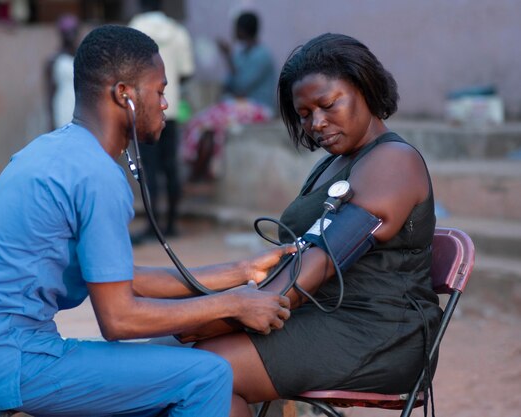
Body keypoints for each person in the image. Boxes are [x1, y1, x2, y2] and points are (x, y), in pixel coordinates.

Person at [0, 25, 293, 417]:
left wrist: (238, 271)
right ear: (125, 95)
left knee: (175, 360)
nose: (166, 104)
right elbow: (119, 318)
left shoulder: (56, 149)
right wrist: (231, 304)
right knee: (207, 375)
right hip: (5, 363)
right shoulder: (98, 176)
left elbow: (118, 276)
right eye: (160, 90)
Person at [194, 33, 444, 416]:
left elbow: (322, 258)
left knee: (201, 371)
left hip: (378, 333)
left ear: (365, 88)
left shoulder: (393, 161)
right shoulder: (334, 162)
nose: (317, 123)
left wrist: (224, 315)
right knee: (184, 367)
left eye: (327, 105)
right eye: (305, 114)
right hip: (321, 316)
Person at [182, 11, 276, 182]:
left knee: (212, 121)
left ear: (243, 30)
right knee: (203, 123)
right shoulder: (241, 54)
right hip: (239, 104)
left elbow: (240, 86)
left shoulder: (261, 55)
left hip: (259, 107)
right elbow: (228, 84)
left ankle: (199, 176)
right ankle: (199, 174)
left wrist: (228, 57)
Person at [129, 0, 195, 240]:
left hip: (144, 111)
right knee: (170, 168)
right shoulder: (178, 32)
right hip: (172, 108)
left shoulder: (135, 27)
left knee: (148, 169)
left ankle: (152, 225)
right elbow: (187, 71)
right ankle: (172, 223)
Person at [45, 14, 79, 130]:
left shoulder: (81, 57)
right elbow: (49, 92)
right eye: (67, 32)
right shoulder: (54, 60)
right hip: (63, 105)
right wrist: (50, 120)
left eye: (73, 31)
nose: (71, 36)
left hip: (80, 107)